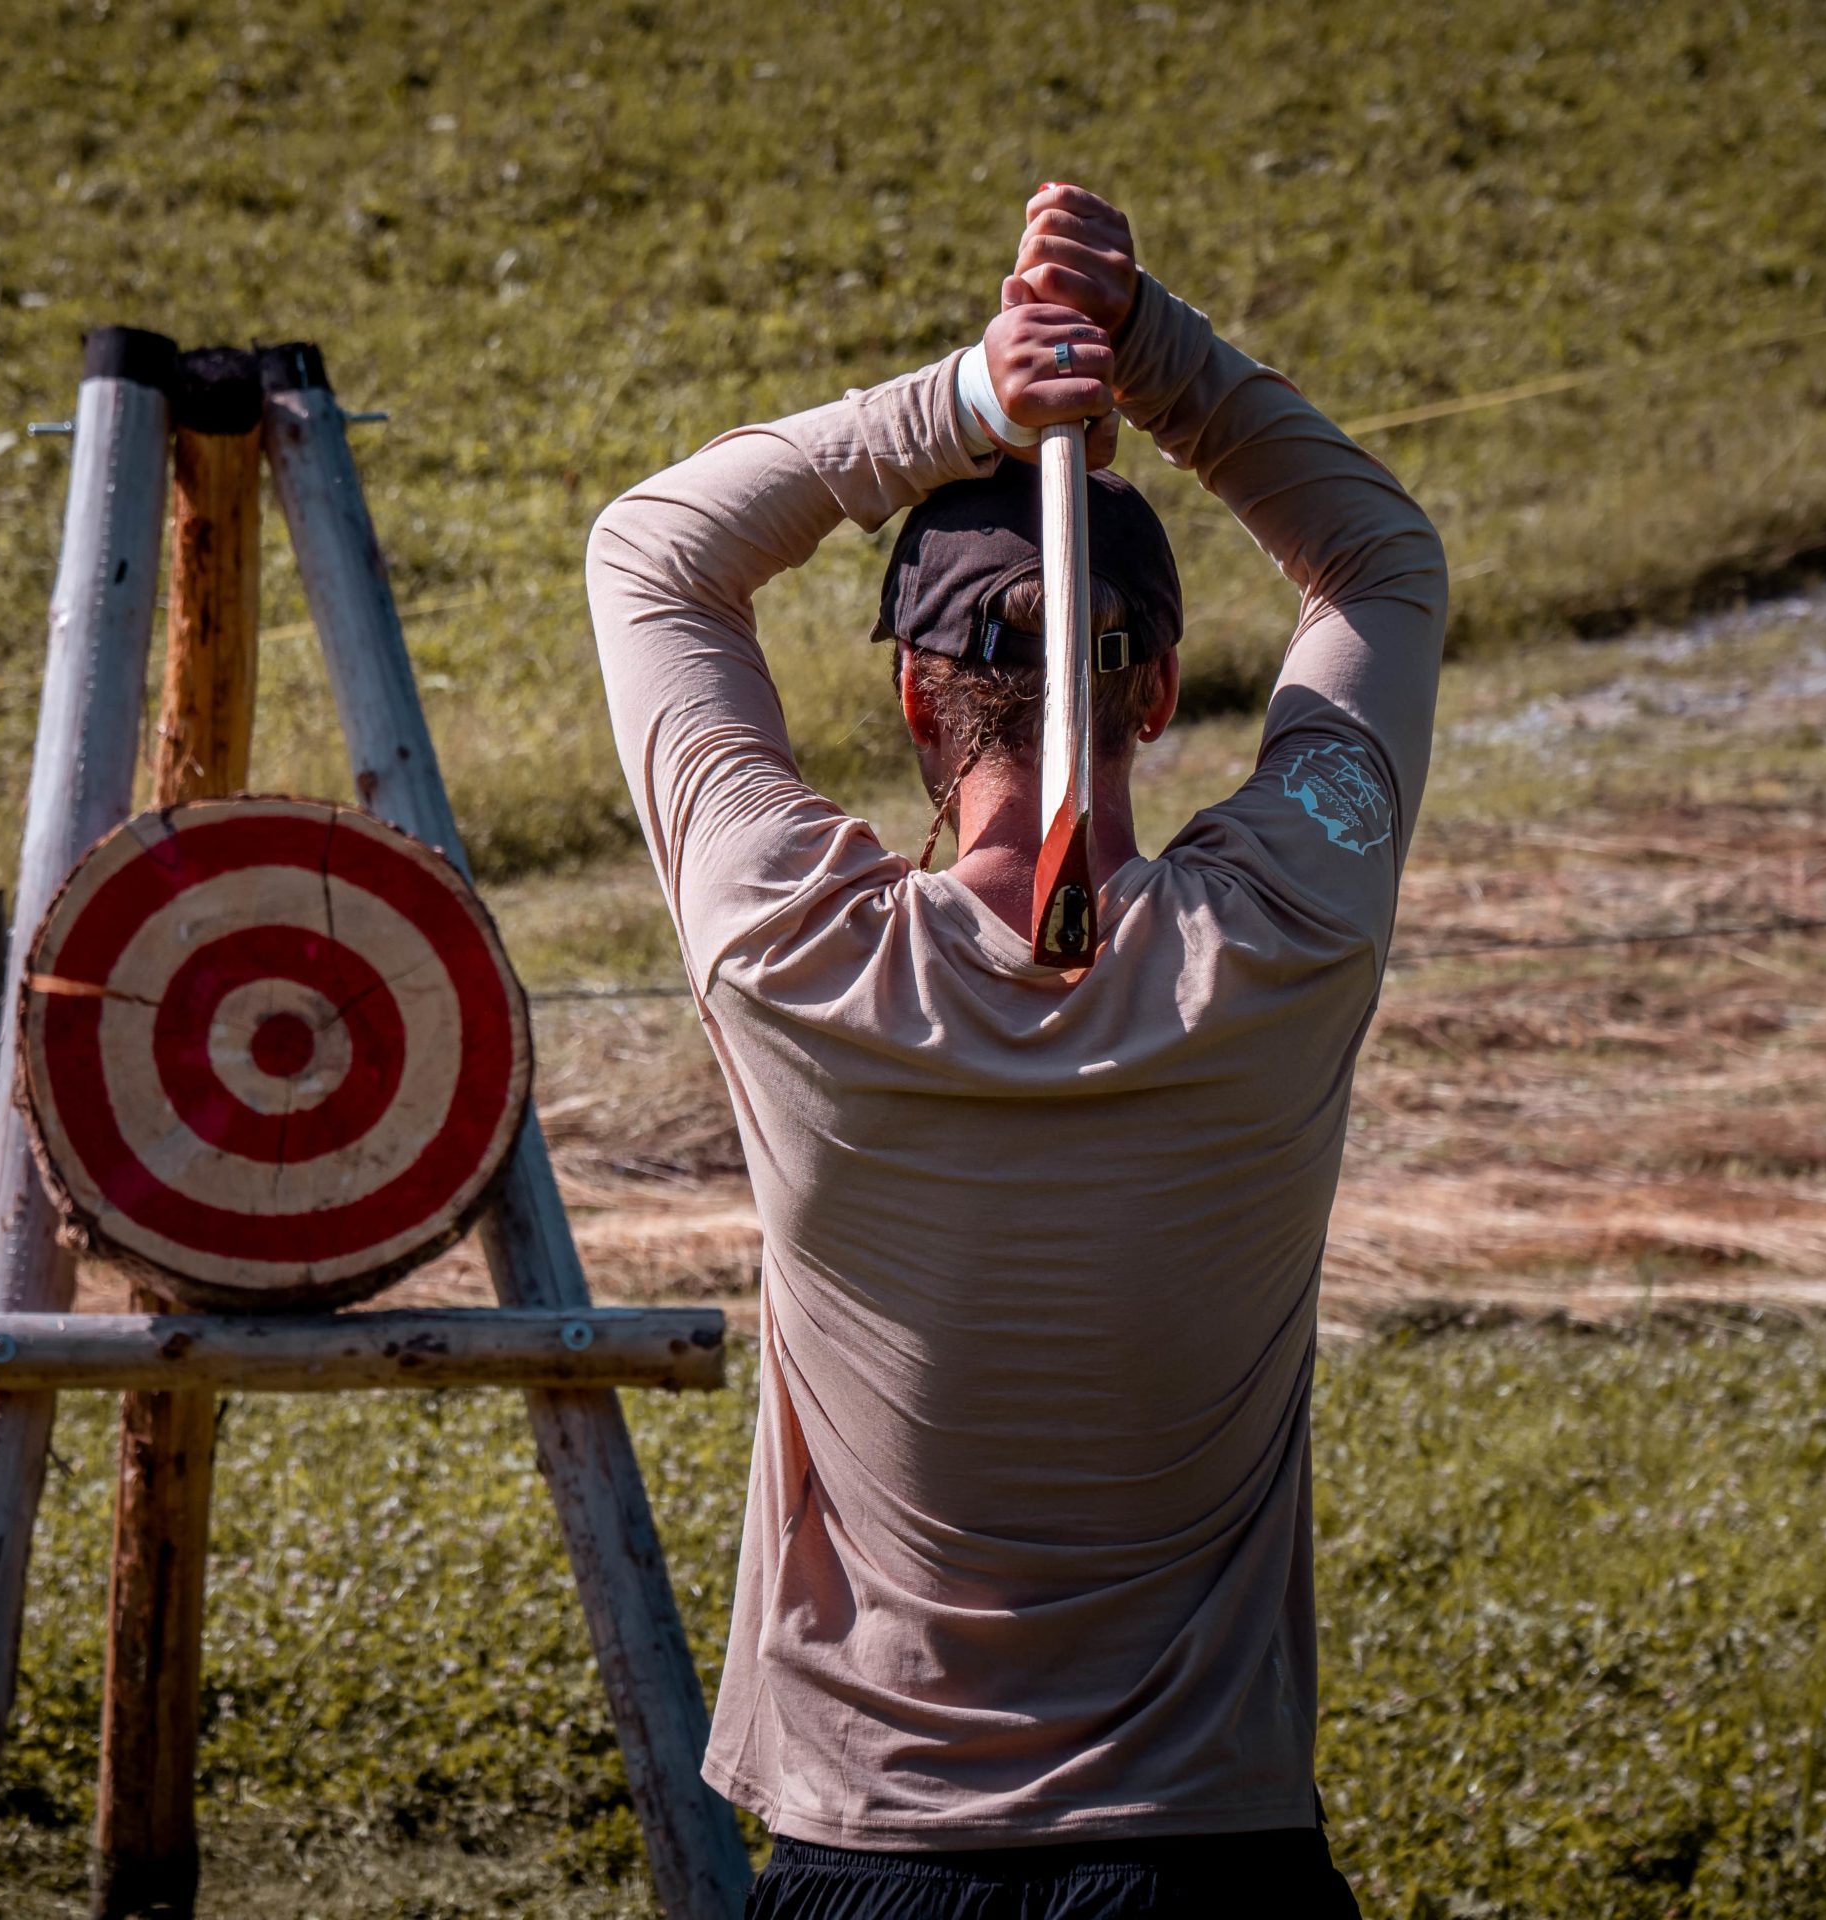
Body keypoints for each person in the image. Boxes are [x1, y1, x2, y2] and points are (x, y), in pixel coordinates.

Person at [585, 182, 1445, 1916]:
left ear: (911, 695)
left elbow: (656, 554)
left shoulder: (794, 950)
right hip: (1214, 1859)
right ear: (1161, 689)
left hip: (870, 1855)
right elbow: (1379, 564)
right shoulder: (1285, 935)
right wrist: (1149, 345)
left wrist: (978, 397)